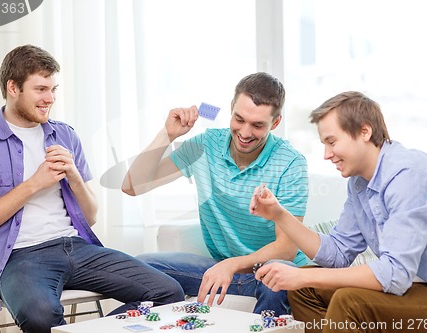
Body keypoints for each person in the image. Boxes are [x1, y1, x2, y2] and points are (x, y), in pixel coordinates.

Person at [0, 44, 184, 333]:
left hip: (75, 247)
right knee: (40, 315)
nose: (50, 98)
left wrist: (74, 177)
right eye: (41, 89)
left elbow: (90, 217)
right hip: (19, 256)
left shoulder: (64, 134)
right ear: (13, 87)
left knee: (168, 293)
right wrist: (34, 184)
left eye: (53, 89)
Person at [249, 91, 427, 333]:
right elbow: (337, 253)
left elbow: (395, 274)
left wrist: (303, 276)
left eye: (332, 142)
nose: (326, 154)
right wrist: (279, 214)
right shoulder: (359, 183)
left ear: (365, 131)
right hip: (420, 287)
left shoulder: (409, 175)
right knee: (302, 289)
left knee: (346, 301)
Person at [121, 72, 309, 316]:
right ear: (231, 108)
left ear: (275, 123)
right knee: (140, 265)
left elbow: (286, 249)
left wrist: (231, 265)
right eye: (239, 119)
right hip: (222, 269)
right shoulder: (205, 145)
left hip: (270, 273)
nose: (244, 132)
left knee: (275, 272)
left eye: (257, 125)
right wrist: (167, 135)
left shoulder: (291, 163)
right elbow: (132, 186)